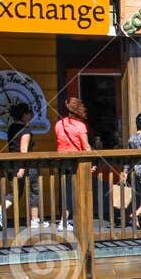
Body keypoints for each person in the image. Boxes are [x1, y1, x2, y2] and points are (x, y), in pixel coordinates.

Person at [0, 103, 42, 230]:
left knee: (15, 192)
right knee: (34, 191)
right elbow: (23, 149)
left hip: (11, 163)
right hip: (25, 165)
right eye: (29, 113)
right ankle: (35, 220)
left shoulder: (12, 127)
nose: (31, 115)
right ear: (24, 114)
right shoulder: (25, 130)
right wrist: (23, 167)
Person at [52, 94, 90, 231]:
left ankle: (64, 220)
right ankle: (77, 218)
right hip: (76, 162)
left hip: (61, 161)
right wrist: (92, 161)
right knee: (79, 191)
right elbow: (85, 146)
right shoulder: (80, 126)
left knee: (65, 191)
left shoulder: (58, 124)